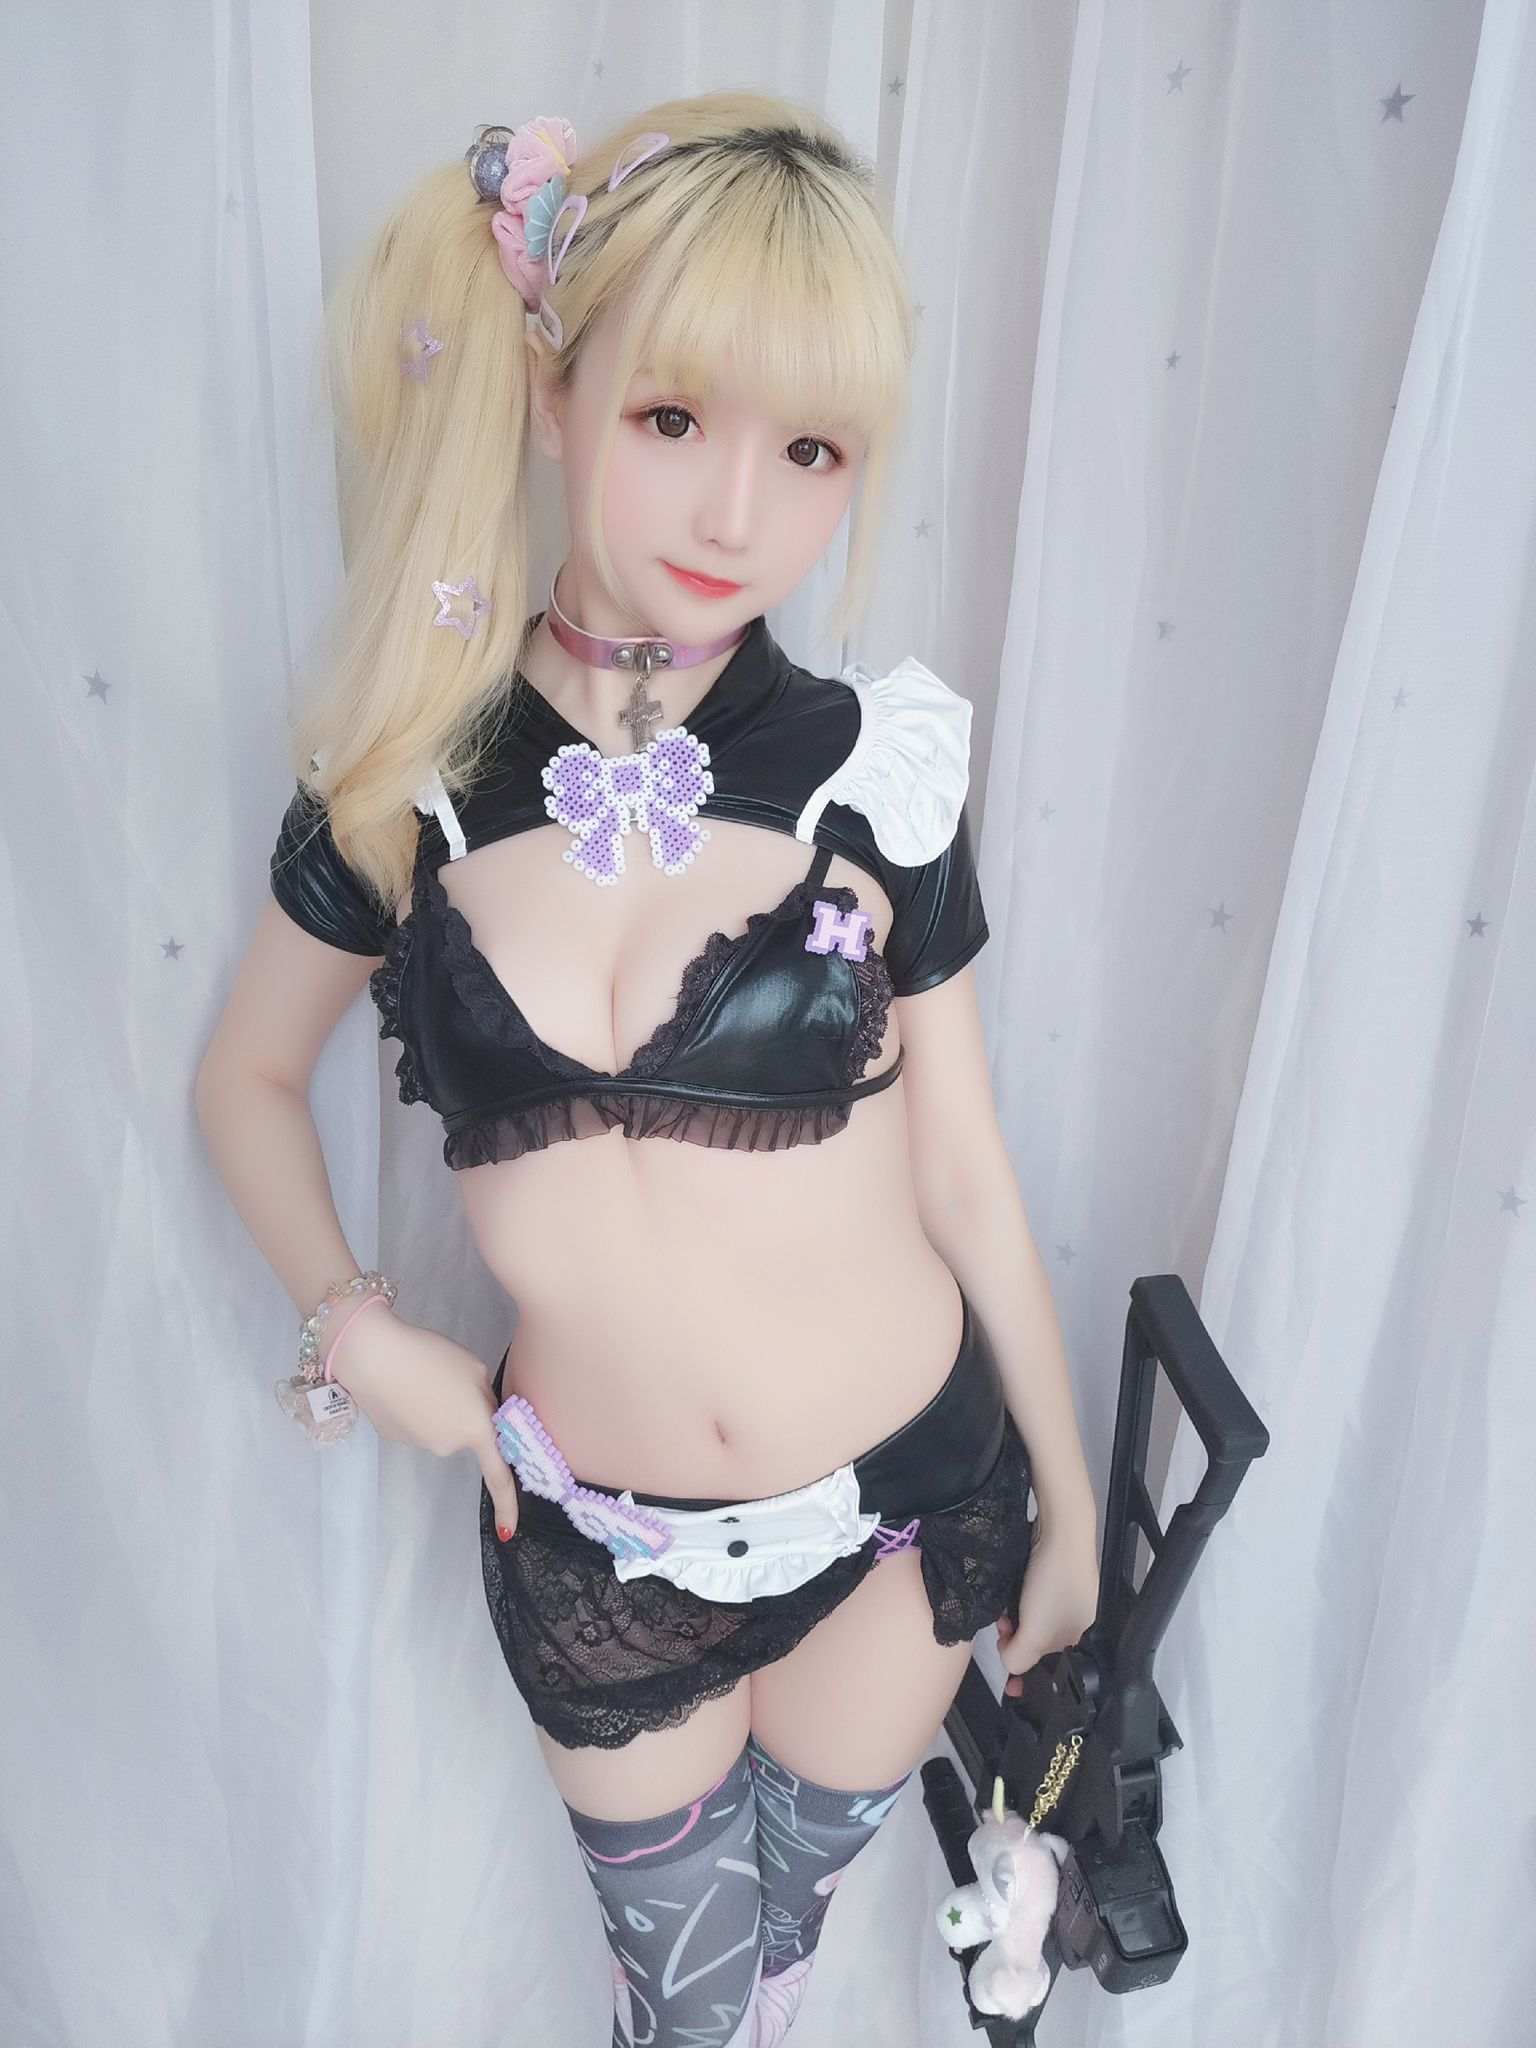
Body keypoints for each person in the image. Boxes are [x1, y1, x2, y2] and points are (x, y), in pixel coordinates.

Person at [196, 90, 1099, 2048]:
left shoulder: (869, 765)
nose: (733, 516)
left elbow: (963, 1174)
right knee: (686, 2010)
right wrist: (360, 1330)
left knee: (771, 1976)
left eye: (811, 451)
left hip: (907, 1502)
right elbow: (244, 1081)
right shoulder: (411, 782)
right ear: (552, 389)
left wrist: (1077, 1498)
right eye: (675, 418)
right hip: (603, 1544)